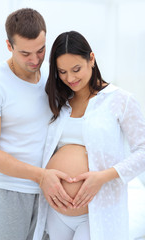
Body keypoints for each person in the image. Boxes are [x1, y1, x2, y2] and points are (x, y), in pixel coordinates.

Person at [38, 31, 145, 240]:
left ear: (92, 59)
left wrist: (102, 177)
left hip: (99, 208)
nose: (70, 78)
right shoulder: (59, 101)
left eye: (76, 69)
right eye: (62, 71)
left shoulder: (119, 99)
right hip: (56, 211)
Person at [0, 8, 74, 240]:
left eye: (41, 50)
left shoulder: (52, 80)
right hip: (8, 193)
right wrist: (41, 176)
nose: (35, 60)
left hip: (49, 195)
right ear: (8, 45)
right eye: (25, 53)